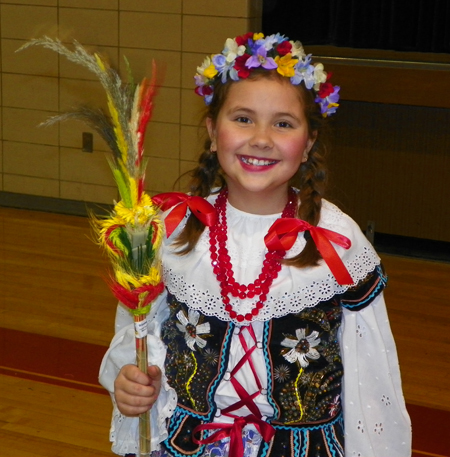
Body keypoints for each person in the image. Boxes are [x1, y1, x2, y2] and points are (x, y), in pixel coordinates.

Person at [99, 32, 411, 457]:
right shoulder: (172, 230)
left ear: (308, 143)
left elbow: (372, 378)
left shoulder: (336, 240)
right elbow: (139, 334)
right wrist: (132, 379)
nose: (261, 138)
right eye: (243, 119)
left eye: (283, 123)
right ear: (212, 131)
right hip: (188, 445)